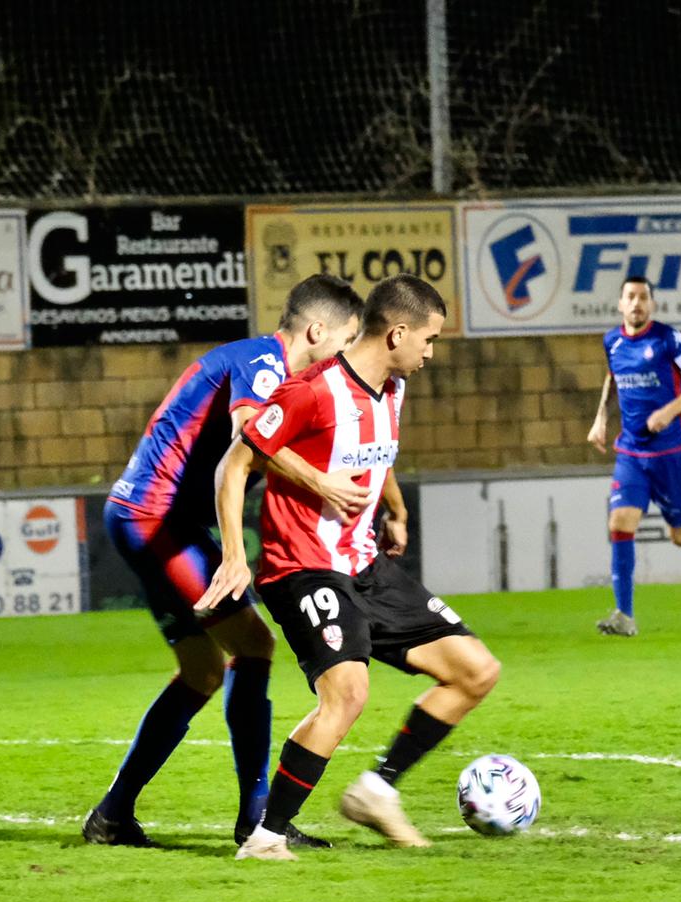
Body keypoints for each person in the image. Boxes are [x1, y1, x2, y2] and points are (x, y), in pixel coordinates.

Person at [196, 274, 502, 862]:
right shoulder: (311, 391)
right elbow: (234, 465)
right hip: (301, 567)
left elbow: (377, 452)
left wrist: (395, 508)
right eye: (430, 339)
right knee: (348, 690)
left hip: (362, 565)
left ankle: (376, 791)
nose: (431, 353)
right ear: (398, 332)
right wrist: (235, 554)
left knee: (475, 671)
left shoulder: (393, 387)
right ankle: (265, 835)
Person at [83, 274, 367, 849]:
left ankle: (113, 816)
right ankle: (256, 822)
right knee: (254, 647)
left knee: (204, 672)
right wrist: (320, 485)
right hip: (155, 520)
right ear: (317, 331)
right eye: (346, 340)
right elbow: (248, 439)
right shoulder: (265, 364)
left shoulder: (265, 367)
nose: (346, 356)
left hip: (149, 517)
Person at [587, 275, 681, 637]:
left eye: (643, 297)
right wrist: (600, 418)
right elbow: (613, 378)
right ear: (621, 304)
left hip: (671, 452)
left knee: (680, 535)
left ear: (652, 305)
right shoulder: (612, 341)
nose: (637, 303)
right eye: (631, 297)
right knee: (620, 523)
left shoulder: (668, 339)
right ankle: (625, 616)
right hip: (631, 452)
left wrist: (670, 411)